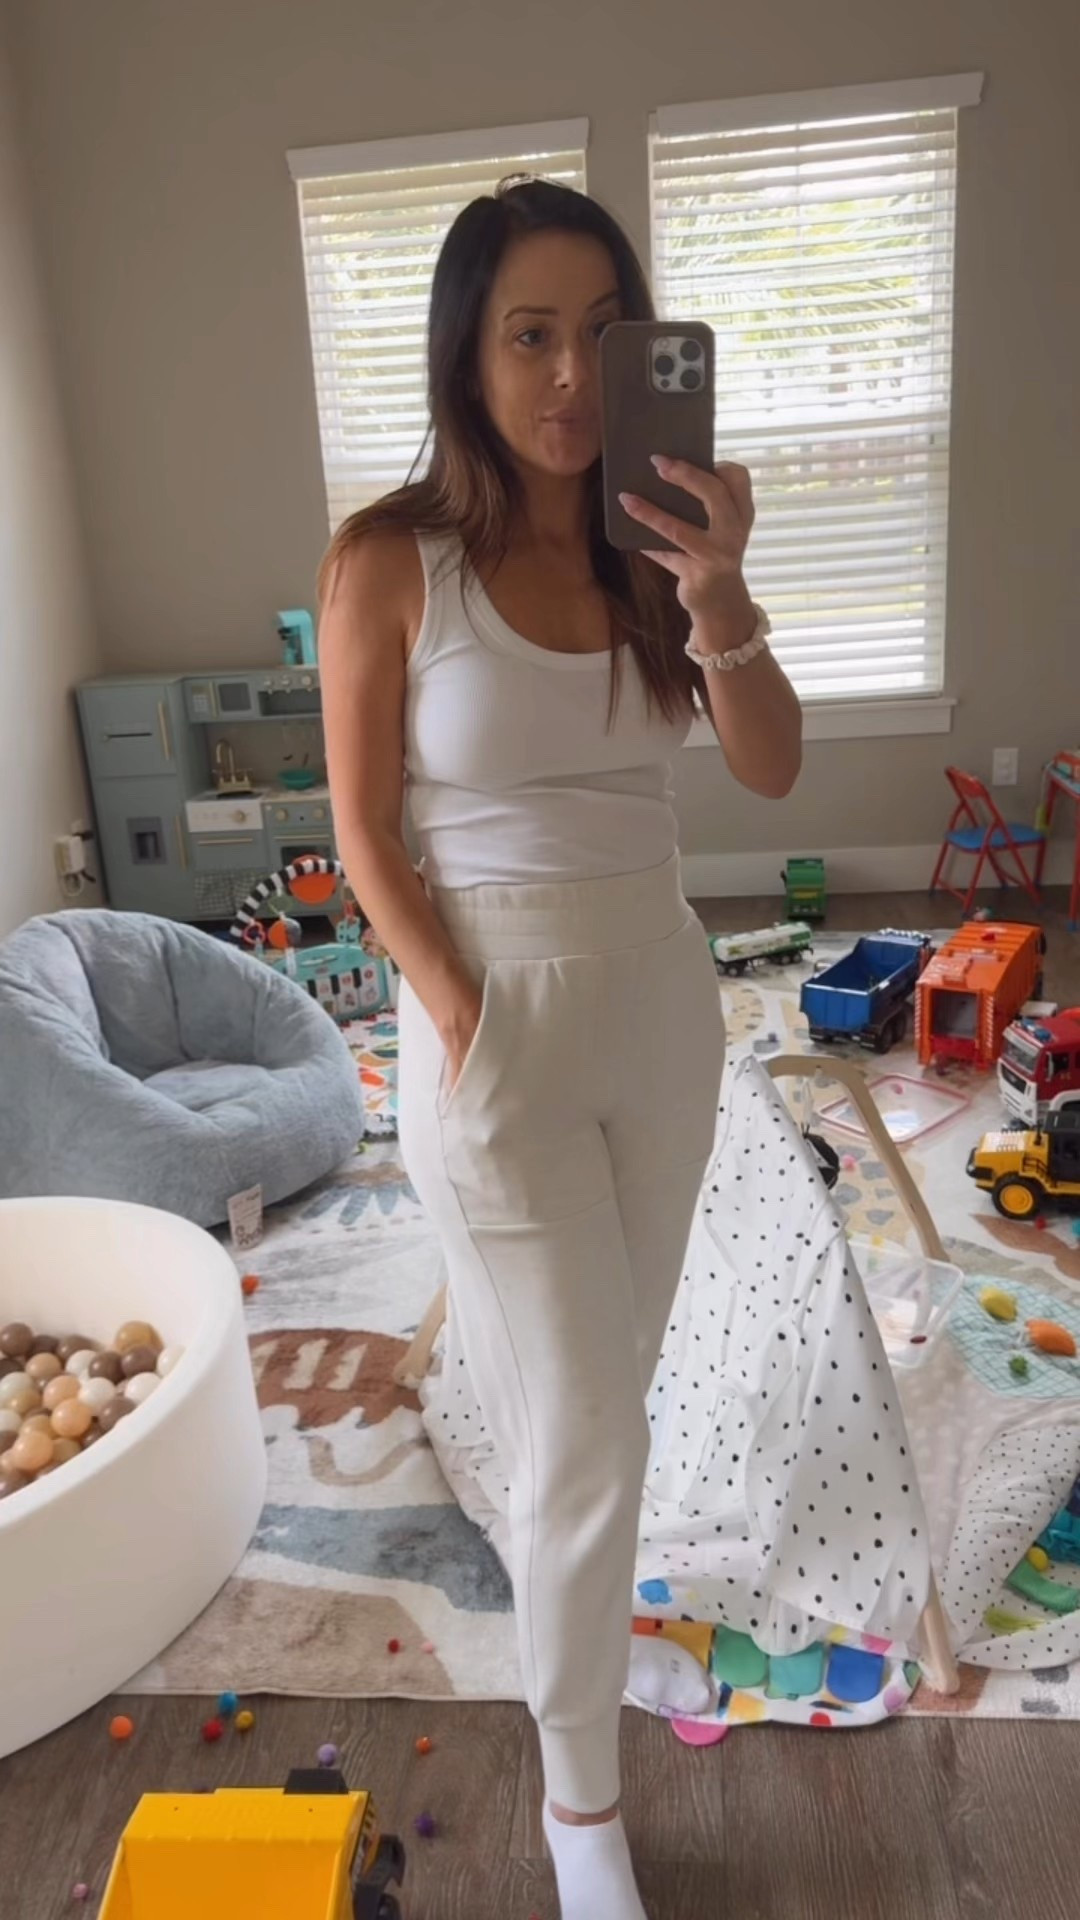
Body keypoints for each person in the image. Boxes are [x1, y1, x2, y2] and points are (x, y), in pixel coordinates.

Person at [318, 177, 801, 1920]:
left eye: (603, 334)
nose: (573, 376)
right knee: (589, 1427)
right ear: (468, 353)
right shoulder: (391, 559)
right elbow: (363, 831)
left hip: (662, 1010)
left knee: (606, 1406)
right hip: (495, 1024)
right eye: (531, 335)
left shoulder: (652, 540)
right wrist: (460, 1018)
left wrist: (717, 585)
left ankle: (580, 1639)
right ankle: (580, 1806)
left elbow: (769, 767)